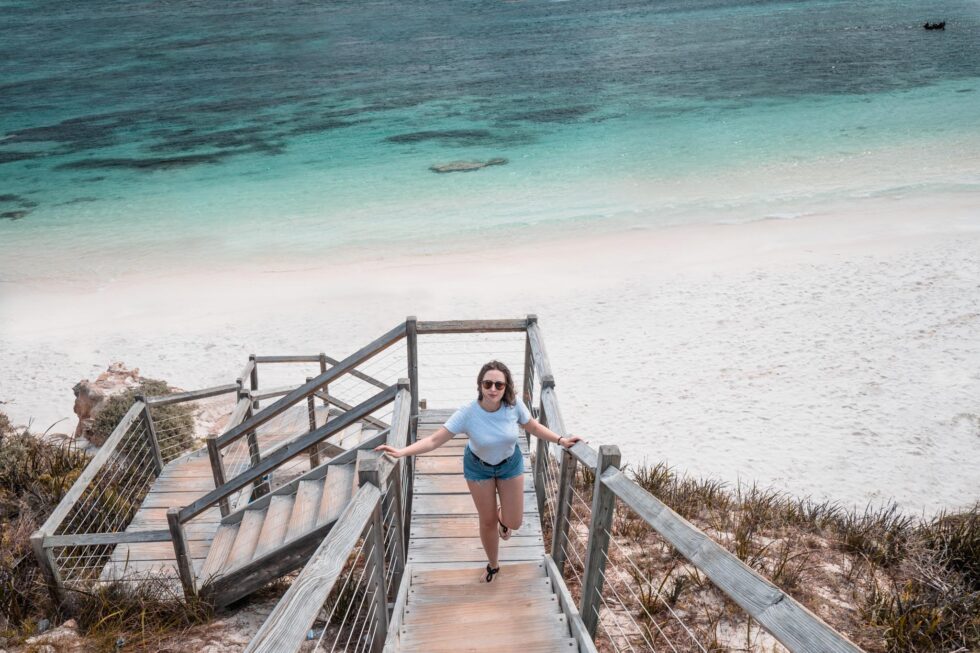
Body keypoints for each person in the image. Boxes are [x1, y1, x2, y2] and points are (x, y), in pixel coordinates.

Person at [375, 360, 583, 582]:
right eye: (488, 384)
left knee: (514, 522)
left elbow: (532, 426)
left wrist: (561, 440)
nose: (493, 389)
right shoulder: (467, 413)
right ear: (480, 385)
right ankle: (493, 564)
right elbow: (435, 440)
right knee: (487, 520)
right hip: (478, 468)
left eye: (499, 385)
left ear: (506, 387)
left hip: (509, 465)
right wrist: (401, 452)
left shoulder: (514, 406)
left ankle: (504, 518)